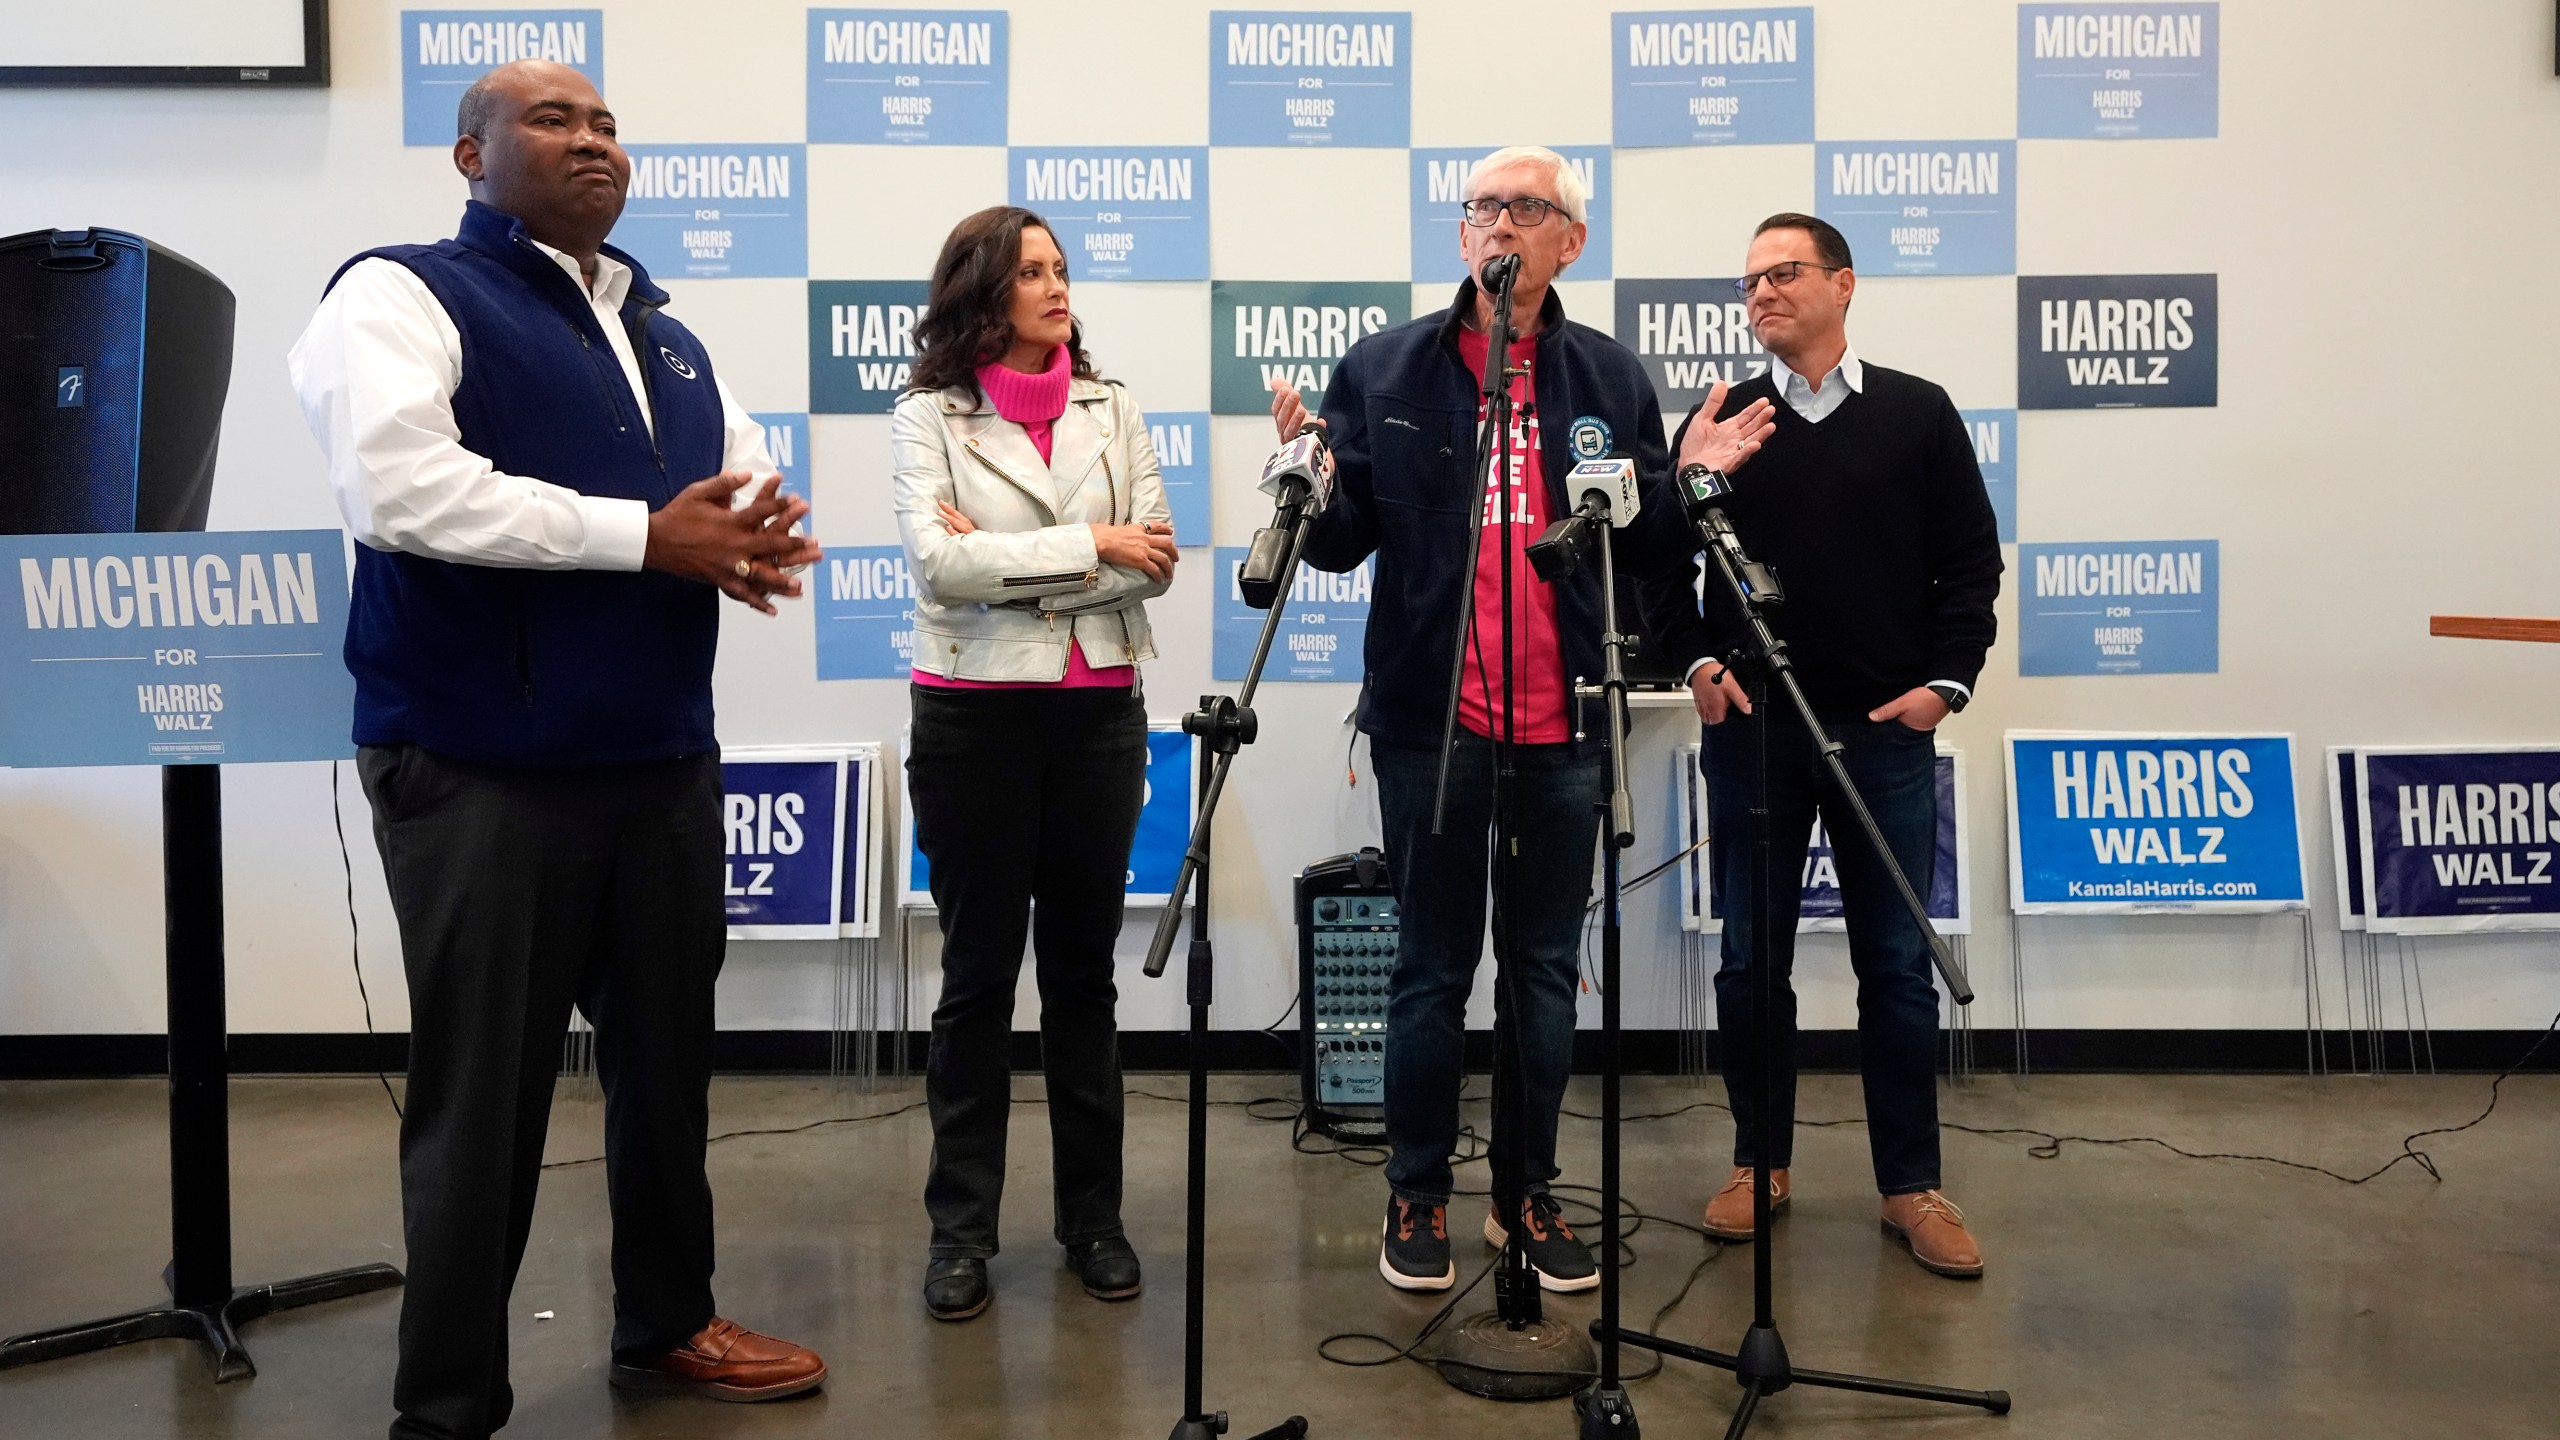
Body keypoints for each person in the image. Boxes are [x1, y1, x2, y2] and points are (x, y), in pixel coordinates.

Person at [287, 61, 827, 1439]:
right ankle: (450, 1400)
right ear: (472, 155)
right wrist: (651, 535)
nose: (593, 141)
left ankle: (666, 1323)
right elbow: (401, 489)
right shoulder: (399, 292)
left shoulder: (670, 333)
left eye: (606, 124)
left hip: (654, 758)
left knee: (666, 1069)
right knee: (485, 1100)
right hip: (479, 765)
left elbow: (739, 476)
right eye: (553, 120)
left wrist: (758, 525)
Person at [1271, 147, 1775, 1294]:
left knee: (1544, 970)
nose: (1501, 226)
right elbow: (1345, 546)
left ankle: (1524, 1195)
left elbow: (1644, 557)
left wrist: (1688, 481)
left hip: (1564, 727)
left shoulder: (1604, 378)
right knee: (1430, 973)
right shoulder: (1386, 369)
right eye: (1483, 209)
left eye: (1527, 209)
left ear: (1568, 242)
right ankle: (1416, 1189)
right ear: (1462, 237)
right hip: (1429, 725)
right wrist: (1313, 475)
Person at [1637, 213, 2004, 1278]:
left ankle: (1910, 1186)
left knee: (1894, 965)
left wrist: (1945, 684)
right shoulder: (1723, 421)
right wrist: (1699, 665)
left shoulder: (1917, 415)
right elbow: (1664, 564)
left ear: (1844, 284)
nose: (1759, 293)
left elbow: (1968, 566)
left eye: (1782, 273)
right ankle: (1761, 1164)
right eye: (1748, 279)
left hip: (1883, 736)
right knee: (1752, 959)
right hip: (1754, 735)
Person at [891, 205, 1177, 1322]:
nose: (1056, 288)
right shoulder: (925, 414)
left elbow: (1150, 561)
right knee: (974, 984)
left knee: (1082, 985)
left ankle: (1092, 1223)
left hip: (1099, 716)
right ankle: (958, 1233)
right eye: (1030, 273)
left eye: (1061, 269)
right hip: (973, 721)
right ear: (980, 291)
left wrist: (1014, 558)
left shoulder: (1116, 407)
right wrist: (1088, 545)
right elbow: (934, 569)